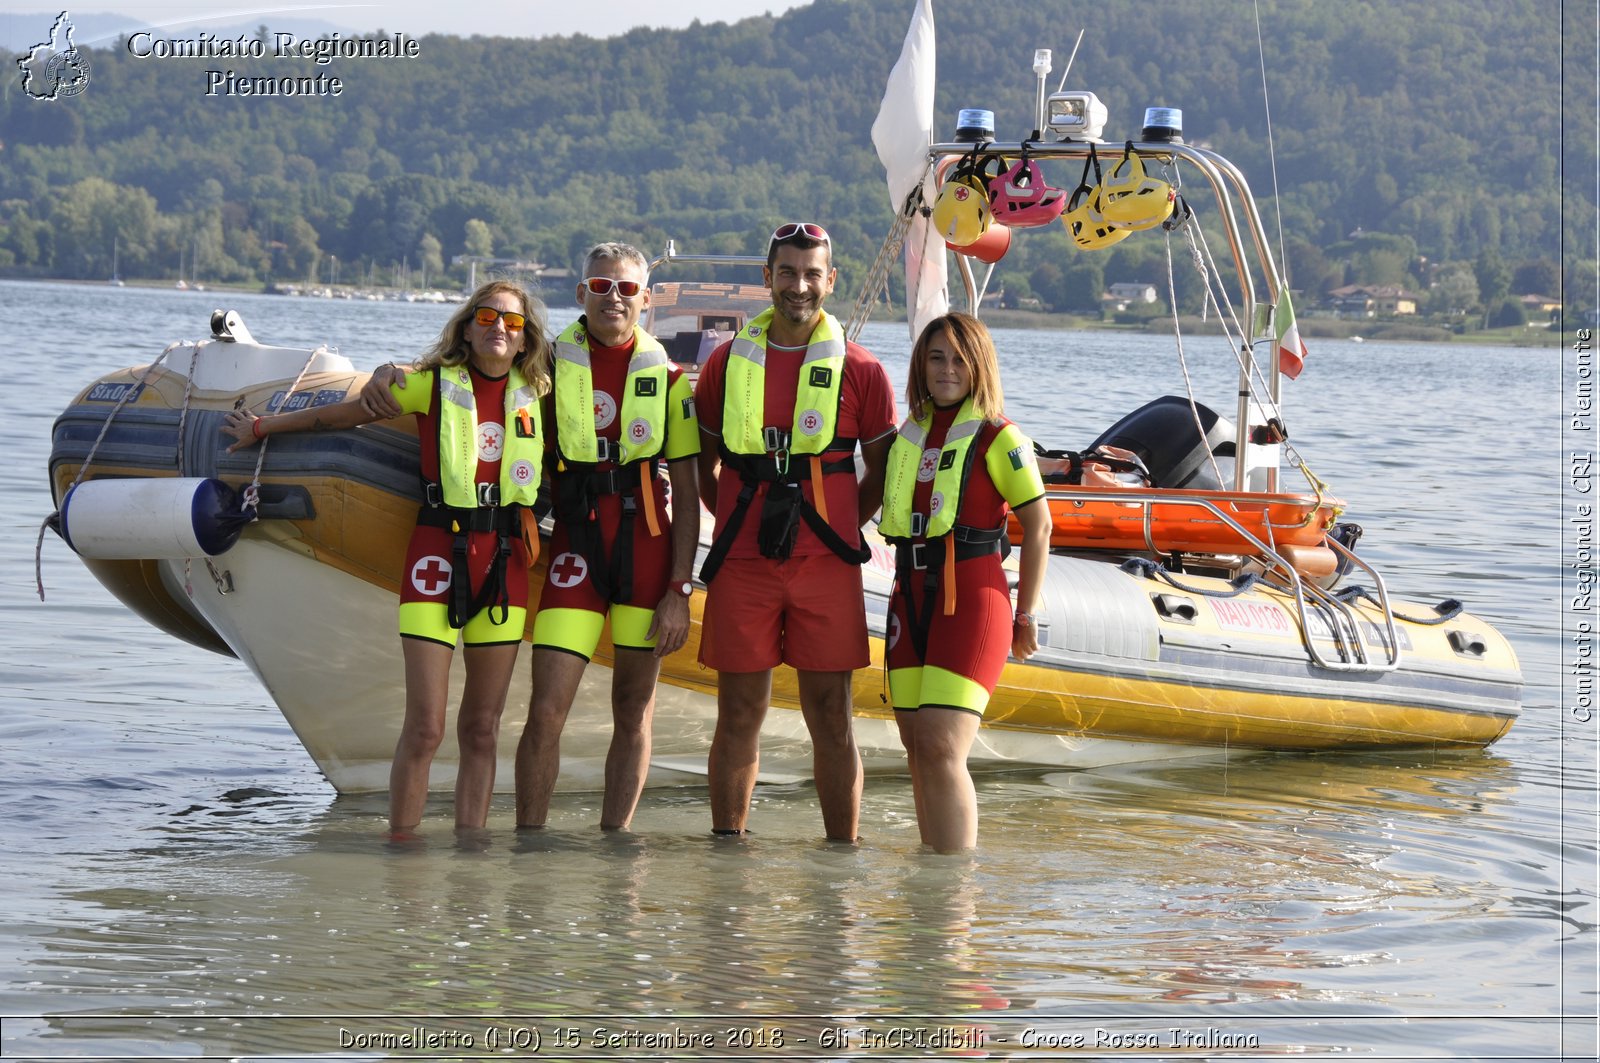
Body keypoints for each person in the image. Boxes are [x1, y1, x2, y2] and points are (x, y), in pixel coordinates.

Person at [362, 243, 699, 832]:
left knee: (632, 711)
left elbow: (690, 492)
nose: (612, 297)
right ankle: (529, 845)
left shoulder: (671, 382)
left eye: (625, 288)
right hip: (576, 551)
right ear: (581, 294)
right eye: (600, 286)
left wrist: (680, 587)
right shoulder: (544, 369)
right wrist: (389, 372)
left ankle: (615, 846)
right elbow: (467, 383)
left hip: (646, 550)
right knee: (545, 712)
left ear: (647, 300)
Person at [221, 281, 551, 837]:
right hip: (435, 559)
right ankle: (403, 854)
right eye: (489, 318)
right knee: (424, 727)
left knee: (482, 729)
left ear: (524, 341)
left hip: (503, 566)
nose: (500, 328)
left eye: (513, 324)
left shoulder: (540, 394)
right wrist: (263, 427)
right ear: (467, 329)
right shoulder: (431, 387)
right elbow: (343, 416)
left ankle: (471, 855)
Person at [693, 221, 897, 842]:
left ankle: (843, 854)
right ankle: (728, 854)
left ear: (831, 281)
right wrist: (730, 518)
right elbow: (703, 465)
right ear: (767, 278)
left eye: (812, 274)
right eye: (787, 273)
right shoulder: (726, 365)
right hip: (744, 565)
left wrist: (838, 530)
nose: (799, 286)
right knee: (739, 715)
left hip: (825, 567)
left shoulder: (863, 371)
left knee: (832, 716)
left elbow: (886, 471)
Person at [878, 312, 1050, 852]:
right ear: (920, 366)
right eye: (936, 357)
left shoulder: (1001, 436)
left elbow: (1039, 524)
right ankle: (928, 886)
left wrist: (1027, 612)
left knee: (941, 745)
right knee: (915, 744)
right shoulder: (911, 432)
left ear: (979, 366)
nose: (947, 369)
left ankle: (953, 900)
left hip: (972, 599)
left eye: (959, 358)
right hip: (909, 595)